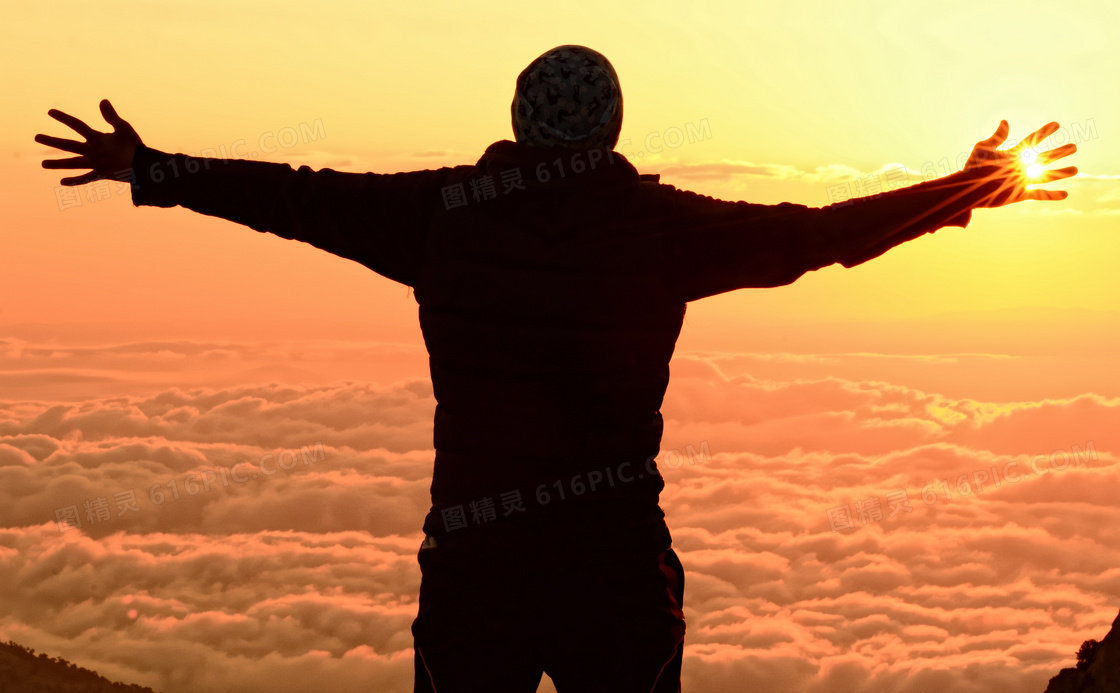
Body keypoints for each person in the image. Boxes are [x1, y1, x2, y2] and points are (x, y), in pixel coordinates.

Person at [36, 44, 1076, 693]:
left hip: (476, 568)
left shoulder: (441, 216)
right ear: (610, 129)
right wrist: (971, 188)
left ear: (518, 122)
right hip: (612, 569)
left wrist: (154, 168)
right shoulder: (658, 230)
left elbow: (298, 195)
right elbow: (817, 234)